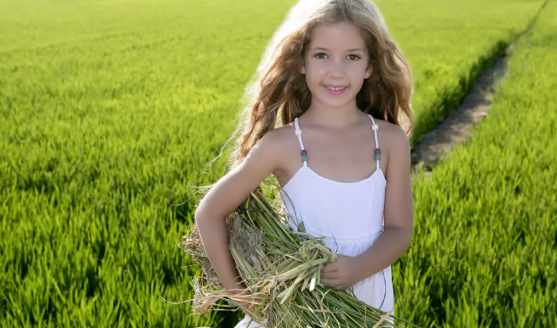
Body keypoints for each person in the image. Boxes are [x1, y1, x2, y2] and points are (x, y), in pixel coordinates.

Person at [194, 0, 414, 326]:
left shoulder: (390, 141)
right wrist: (244, 299)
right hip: (299, 307)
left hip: (368, 304)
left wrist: (358, 268)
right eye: (322, 55)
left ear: (369, 66)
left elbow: (399, 230)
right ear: (302, 63)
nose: (336, 70)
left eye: (352, 57)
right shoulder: (283, 145)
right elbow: (209, 212)